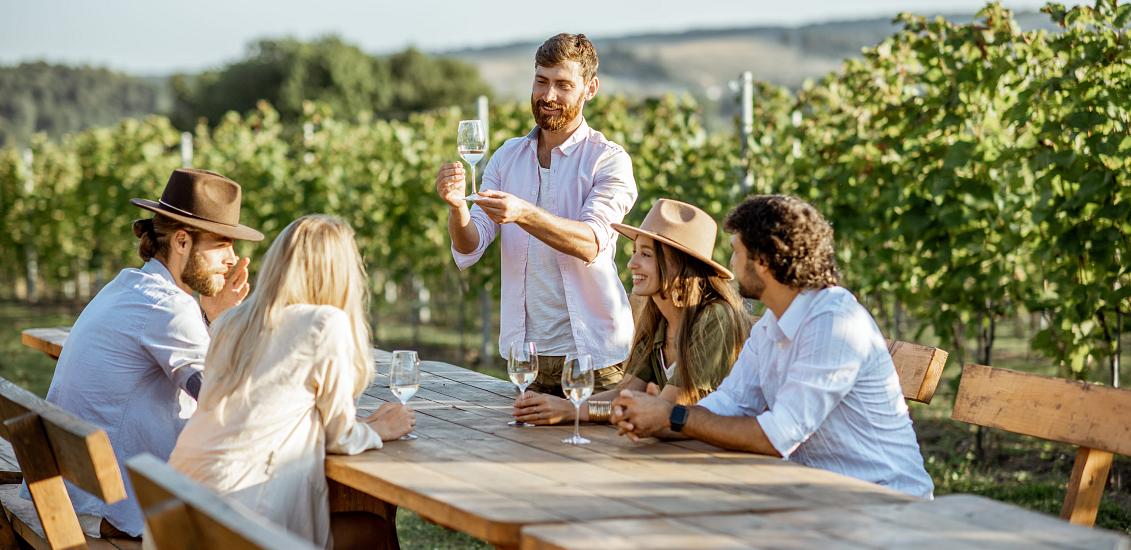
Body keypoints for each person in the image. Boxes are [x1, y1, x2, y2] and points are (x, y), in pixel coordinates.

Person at [611, 195, 934, 499]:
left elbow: (777, 436)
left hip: (882, 499)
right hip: (814, 494)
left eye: (736, 252)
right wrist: (661, 419)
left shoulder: (833, 323)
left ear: (762, 261)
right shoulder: (771, 325)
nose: (732, 265)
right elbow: (728, 405)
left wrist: (674, 416)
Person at [33, 168, 264, 538]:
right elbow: (225, 403)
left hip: (78, 498)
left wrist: (212, 316)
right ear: (182, 242)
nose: (232, 259)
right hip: (118, 513)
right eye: (222, 244)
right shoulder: (169, 307)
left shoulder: (128, 286)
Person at [168, 215, 415, 549]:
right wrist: (380, 429)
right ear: (341, 273)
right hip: (242, 516)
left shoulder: (231, 320)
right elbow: (339, 437)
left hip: (182, 505)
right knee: (371, 530)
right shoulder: (325, 323)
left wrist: (360, 425)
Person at [435, 33, 637, 395]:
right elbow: (470, 247)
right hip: (526, 356)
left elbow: (591, 243)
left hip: (594, 356)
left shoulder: (608, 160)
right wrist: (456, 208)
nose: (548, 96)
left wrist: (524, 213)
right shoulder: (507, 157)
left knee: (601, 454)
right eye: (541, 81)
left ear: (590, 89)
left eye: (563, 85)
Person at [513, 199, 748, 425]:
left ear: (679, 264)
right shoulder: (657, 318)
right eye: (635, 251)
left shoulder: (715, 317)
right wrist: (572, 409)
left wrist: (575, 411)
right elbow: (623, 395)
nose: (632, 263)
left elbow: (664, 411)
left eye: (646, 254)